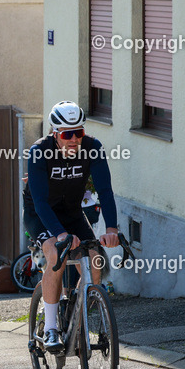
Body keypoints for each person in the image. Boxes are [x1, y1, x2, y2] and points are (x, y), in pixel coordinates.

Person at [27, 101, 120, 352]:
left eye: (78, 133)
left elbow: (105, 191)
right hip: (41, 214)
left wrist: (111, 229)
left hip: (72, 213)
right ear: (55, 133)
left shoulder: (92, 148)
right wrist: (60, 234)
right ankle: (50, 329)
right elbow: (39, 202)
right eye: (67, 134)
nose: (73, 140)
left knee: (95, 261)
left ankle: (77, 312)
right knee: (56, 253)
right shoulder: (40, 152)